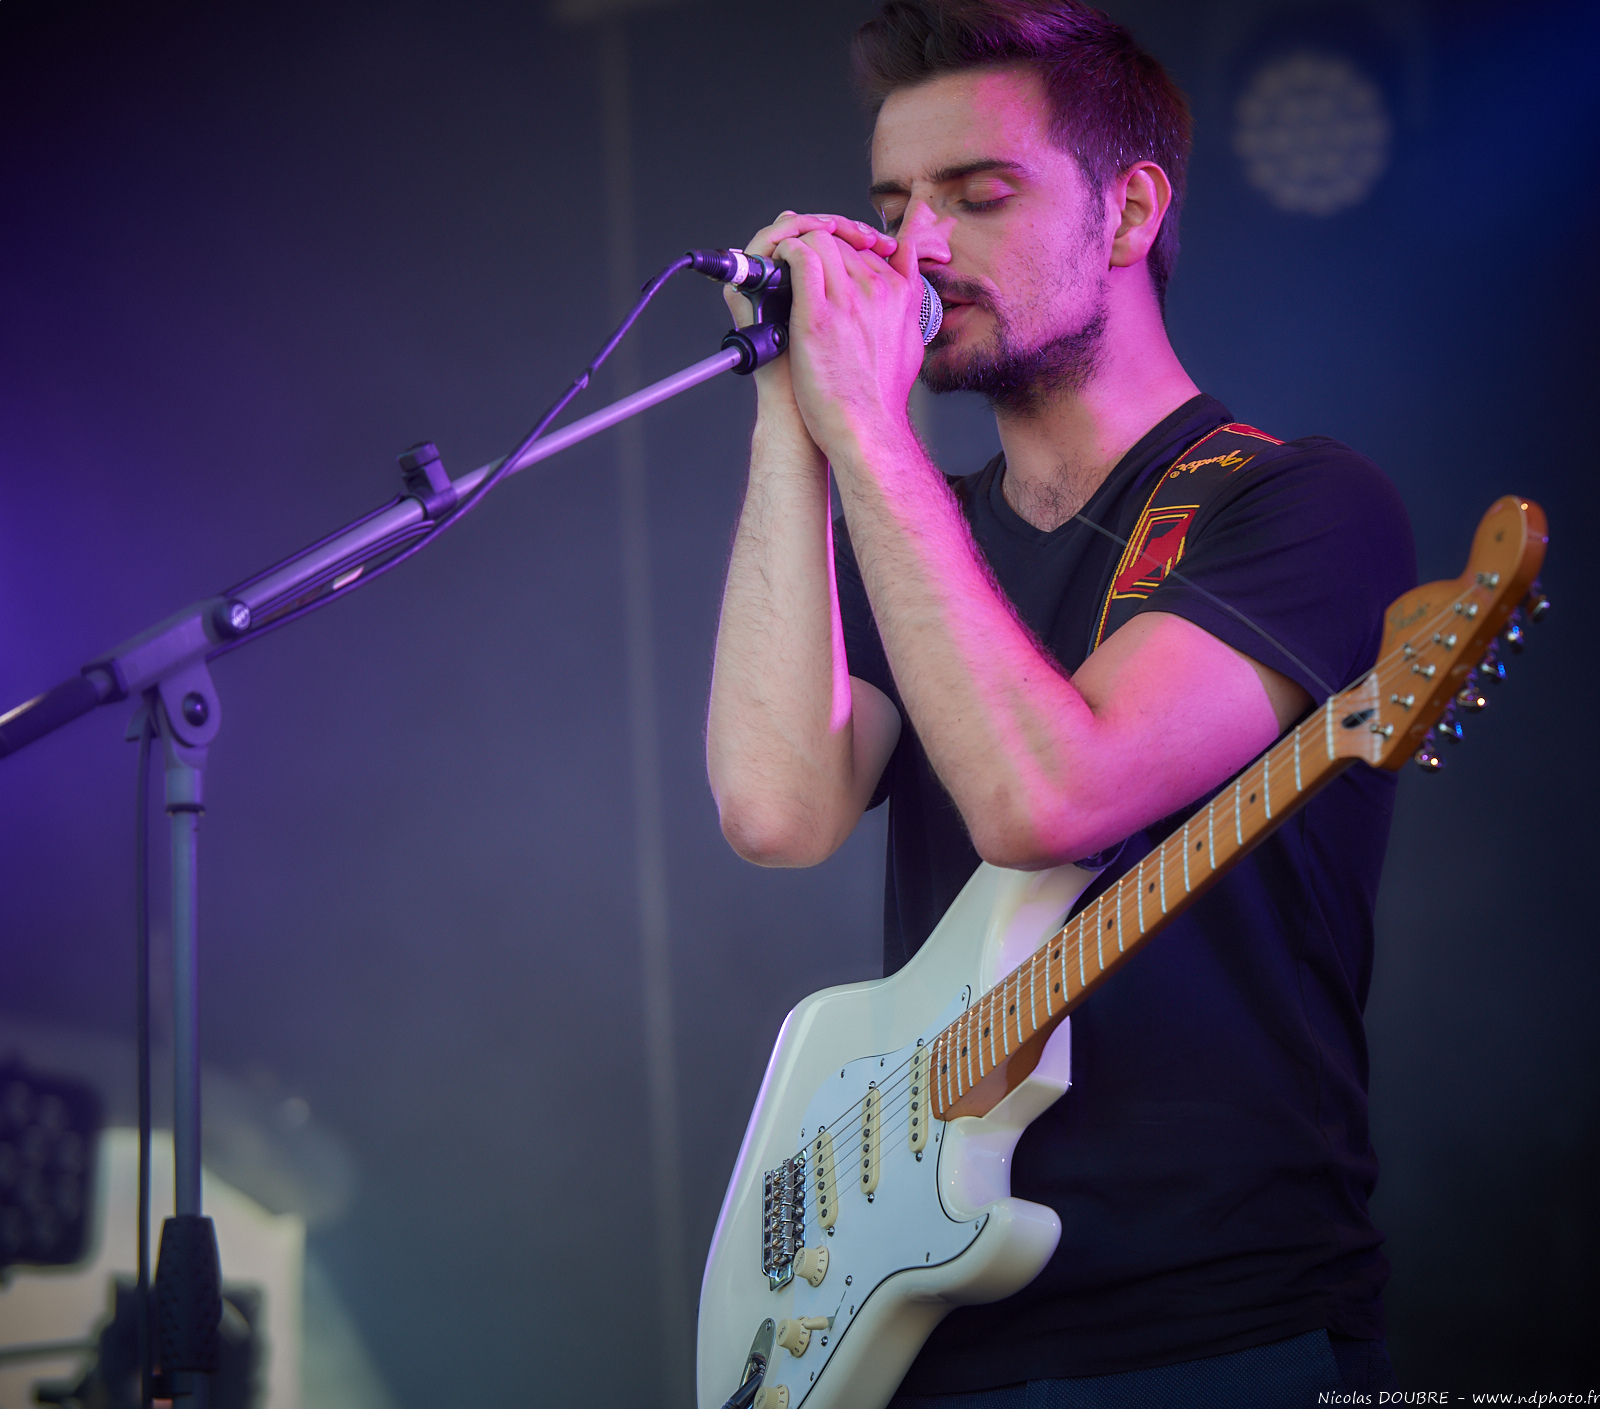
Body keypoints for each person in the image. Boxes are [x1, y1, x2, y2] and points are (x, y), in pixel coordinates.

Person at [704, 1, 1413, 1403]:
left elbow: (1047, 799)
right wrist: (790, 412)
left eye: (980, 196)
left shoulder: (1299, 504)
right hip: (922, 1320)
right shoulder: (925, 531)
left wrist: (868, 435)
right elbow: (777, 811)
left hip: (1213, 1328)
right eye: (891, 208)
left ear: (1131, 210)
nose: (917, 247)